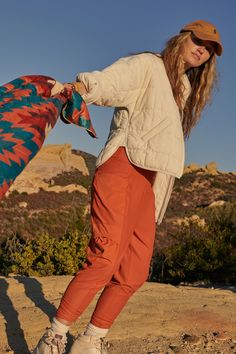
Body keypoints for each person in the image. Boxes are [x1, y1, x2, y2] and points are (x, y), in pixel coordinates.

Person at [33, 19, 223, 354]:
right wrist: (81, 88)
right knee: (105, 259)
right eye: (198, 41)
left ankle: (91, 340)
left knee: (134, 271)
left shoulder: (183, 87)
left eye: (208, 49)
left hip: (149, 185)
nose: (202, 50)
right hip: (122, 168)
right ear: (183, 37)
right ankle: (54, 336)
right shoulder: (148, 65)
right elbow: (111, 83)